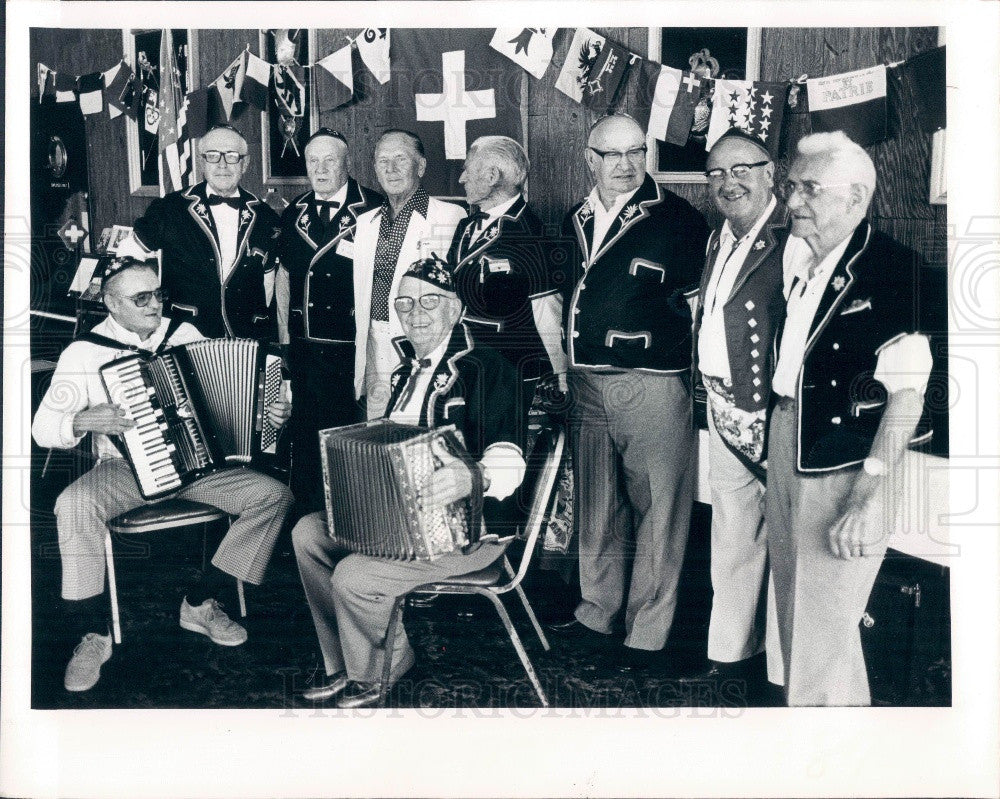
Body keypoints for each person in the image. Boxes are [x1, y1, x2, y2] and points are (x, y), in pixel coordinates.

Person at [32, 259, 293, 693]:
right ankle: (93, 634)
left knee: (274, 497)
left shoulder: (185, 335)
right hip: (126, 468)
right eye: (141, 298)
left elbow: (235, 395)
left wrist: (274, 413)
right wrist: (83, 421)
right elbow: (43, 428)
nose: (155, 305)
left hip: (200, 467)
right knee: (72, 503)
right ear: (112, 304)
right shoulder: (83, 353)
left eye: (157, 294)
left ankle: (199, 603)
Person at [292, 256, 525, 709]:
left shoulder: (488, 365)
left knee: (355, 574)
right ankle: (343, 661)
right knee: (307, 534)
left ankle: (383, 665)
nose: (416, 314)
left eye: (429, 302)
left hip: (471, 531)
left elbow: (511, 456)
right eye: (405, 304)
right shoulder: (402, 372)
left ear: (456, 309)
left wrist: (471, 476)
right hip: (400, 520)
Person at [766, 131, 933, 706]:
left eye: (810, 189)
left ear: (855, 199)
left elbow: (906, 400)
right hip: (789, 442)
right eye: (792, 187)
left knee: (822, 630)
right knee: (801, 619)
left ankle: (823, 762)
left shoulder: (894, 271)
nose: (792, 202)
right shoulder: (806, 261)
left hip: (843, 466)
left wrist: (868, 498)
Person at [550, 114, 709, 667]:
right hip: (585, 382)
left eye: (636, 152)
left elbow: (699, 313)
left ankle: (647, 631)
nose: (624, 165)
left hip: (652, 384)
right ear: (588, 158)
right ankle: (597, 612)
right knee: (598, 506)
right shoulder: (576, 217)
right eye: (611, 155)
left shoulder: (680, 219)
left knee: (658, 510)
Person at [684, 128, 788, 688]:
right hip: (724, 407)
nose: (730, 182)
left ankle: (780, 669)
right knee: (732, 532)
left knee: (786, 541)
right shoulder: (716, 237)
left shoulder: (792, 234)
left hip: (774, 410)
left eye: (742, 168)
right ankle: (730, 654)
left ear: (771, 171)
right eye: (717, 173)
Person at [274, 128, 383, 515]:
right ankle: (305, 525)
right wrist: (286, 340)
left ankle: (348, 522)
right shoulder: (294, 212)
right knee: (304, 438)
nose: (319, 169)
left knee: (345, 438)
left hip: (350, 349)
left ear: (347, 163)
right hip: (304, 349)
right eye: (312, 161)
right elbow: (284, 277)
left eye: (329, 160)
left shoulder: (373, 208)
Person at [448, 135, 567, 443]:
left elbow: (548, 315)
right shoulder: (466, 227)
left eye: (467, 170)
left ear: (492, 177)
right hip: (466, 368)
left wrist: (561, 378)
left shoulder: (532, 234)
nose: (461, 178)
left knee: (501, 460)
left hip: (509, 377)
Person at [116, 125, 282, 340]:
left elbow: (268, 282)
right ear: (202, 162)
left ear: (245, 164)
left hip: (245, 338)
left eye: (232, 156)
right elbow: (128, 252)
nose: (222, 165)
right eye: (213, 156)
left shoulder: (265, 216)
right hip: (182, 334)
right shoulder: (170, 208)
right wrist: (146, 306)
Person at [352, 130, 465, 419]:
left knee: (417, 428)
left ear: (421, 167)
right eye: (382, 161)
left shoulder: (451, 217)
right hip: (373, 343)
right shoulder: (364, 223)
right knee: (377, 434)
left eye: (400, 159)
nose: (391, 169)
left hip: (424, 342)